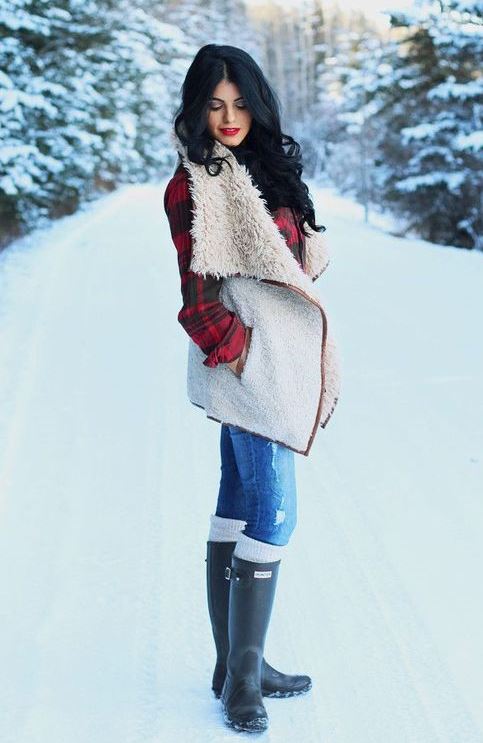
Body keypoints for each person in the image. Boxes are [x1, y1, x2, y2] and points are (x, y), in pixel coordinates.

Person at [164, 44, 341, 734]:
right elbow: (194, 295)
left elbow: (296, 263)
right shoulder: (195, 183)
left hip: (276, 361)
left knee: (238, 503)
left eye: (240, 102)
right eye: (214, 104)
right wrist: (239, 354)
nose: (229, 116)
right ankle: (242, 680)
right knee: (273, 517)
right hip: (249, 367)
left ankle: (237, 661)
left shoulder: (262, 171)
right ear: (197, 108)